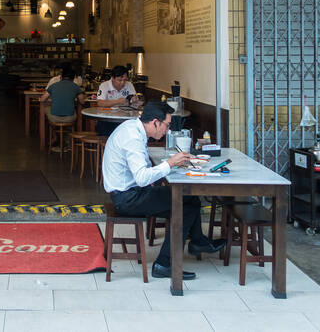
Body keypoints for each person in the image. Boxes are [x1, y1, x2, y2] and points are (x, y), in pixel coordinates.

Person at [102, 101, 226, 280]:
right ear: (154, 122)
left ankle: (198, 242)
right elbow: (142, 177)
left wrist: (171, 165)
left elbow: (142, 171)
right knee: (185, 204)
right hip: (128, 198)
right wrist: (169, 163)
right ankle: (165, 263)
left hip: (130, 192)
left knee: (190, 199)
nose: (167, 130)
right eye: (166, 125)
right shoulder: (133, 138)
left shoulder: (133, 128)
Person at [40, 65, 85, 151]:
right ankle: (69, 142)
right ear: (73, 78)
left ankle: (54, 137)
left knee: (47, 109)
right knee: (75, 111)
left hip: (54, 118)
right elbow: (82, 102)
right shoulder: (76, 87)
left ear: (61, 77)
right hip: (70, 119)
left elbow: (42, 99)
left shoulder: (54, 85)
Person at [95, 65, 139, 136]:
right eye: (120, 80)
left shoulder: (129, 85)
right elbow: (100, 103)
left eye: (125, 80)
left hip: (125, 119)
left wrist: (134, 100)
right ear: (112, 78)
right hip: (107, 119)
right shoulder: (104, 85)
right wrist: (118, 101)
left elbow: (135, 101)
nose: (122, 83)